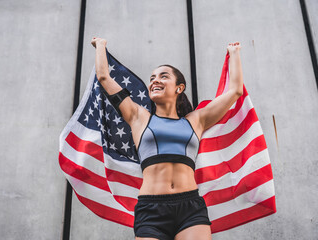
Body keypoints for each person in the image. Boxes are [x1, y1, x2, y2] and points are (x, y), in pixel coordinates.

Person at [91, 37, 243, 240]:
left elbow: (235, 91)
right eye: (152, 77)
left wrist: (234, 53)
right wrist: (101, 46)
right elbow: (104, 78)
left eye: (163, 76)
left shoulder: (196, 120)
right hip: (151, 209)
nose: (155, 80)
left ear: (179, 88)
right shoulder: (138, 117)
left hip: (190, 208)